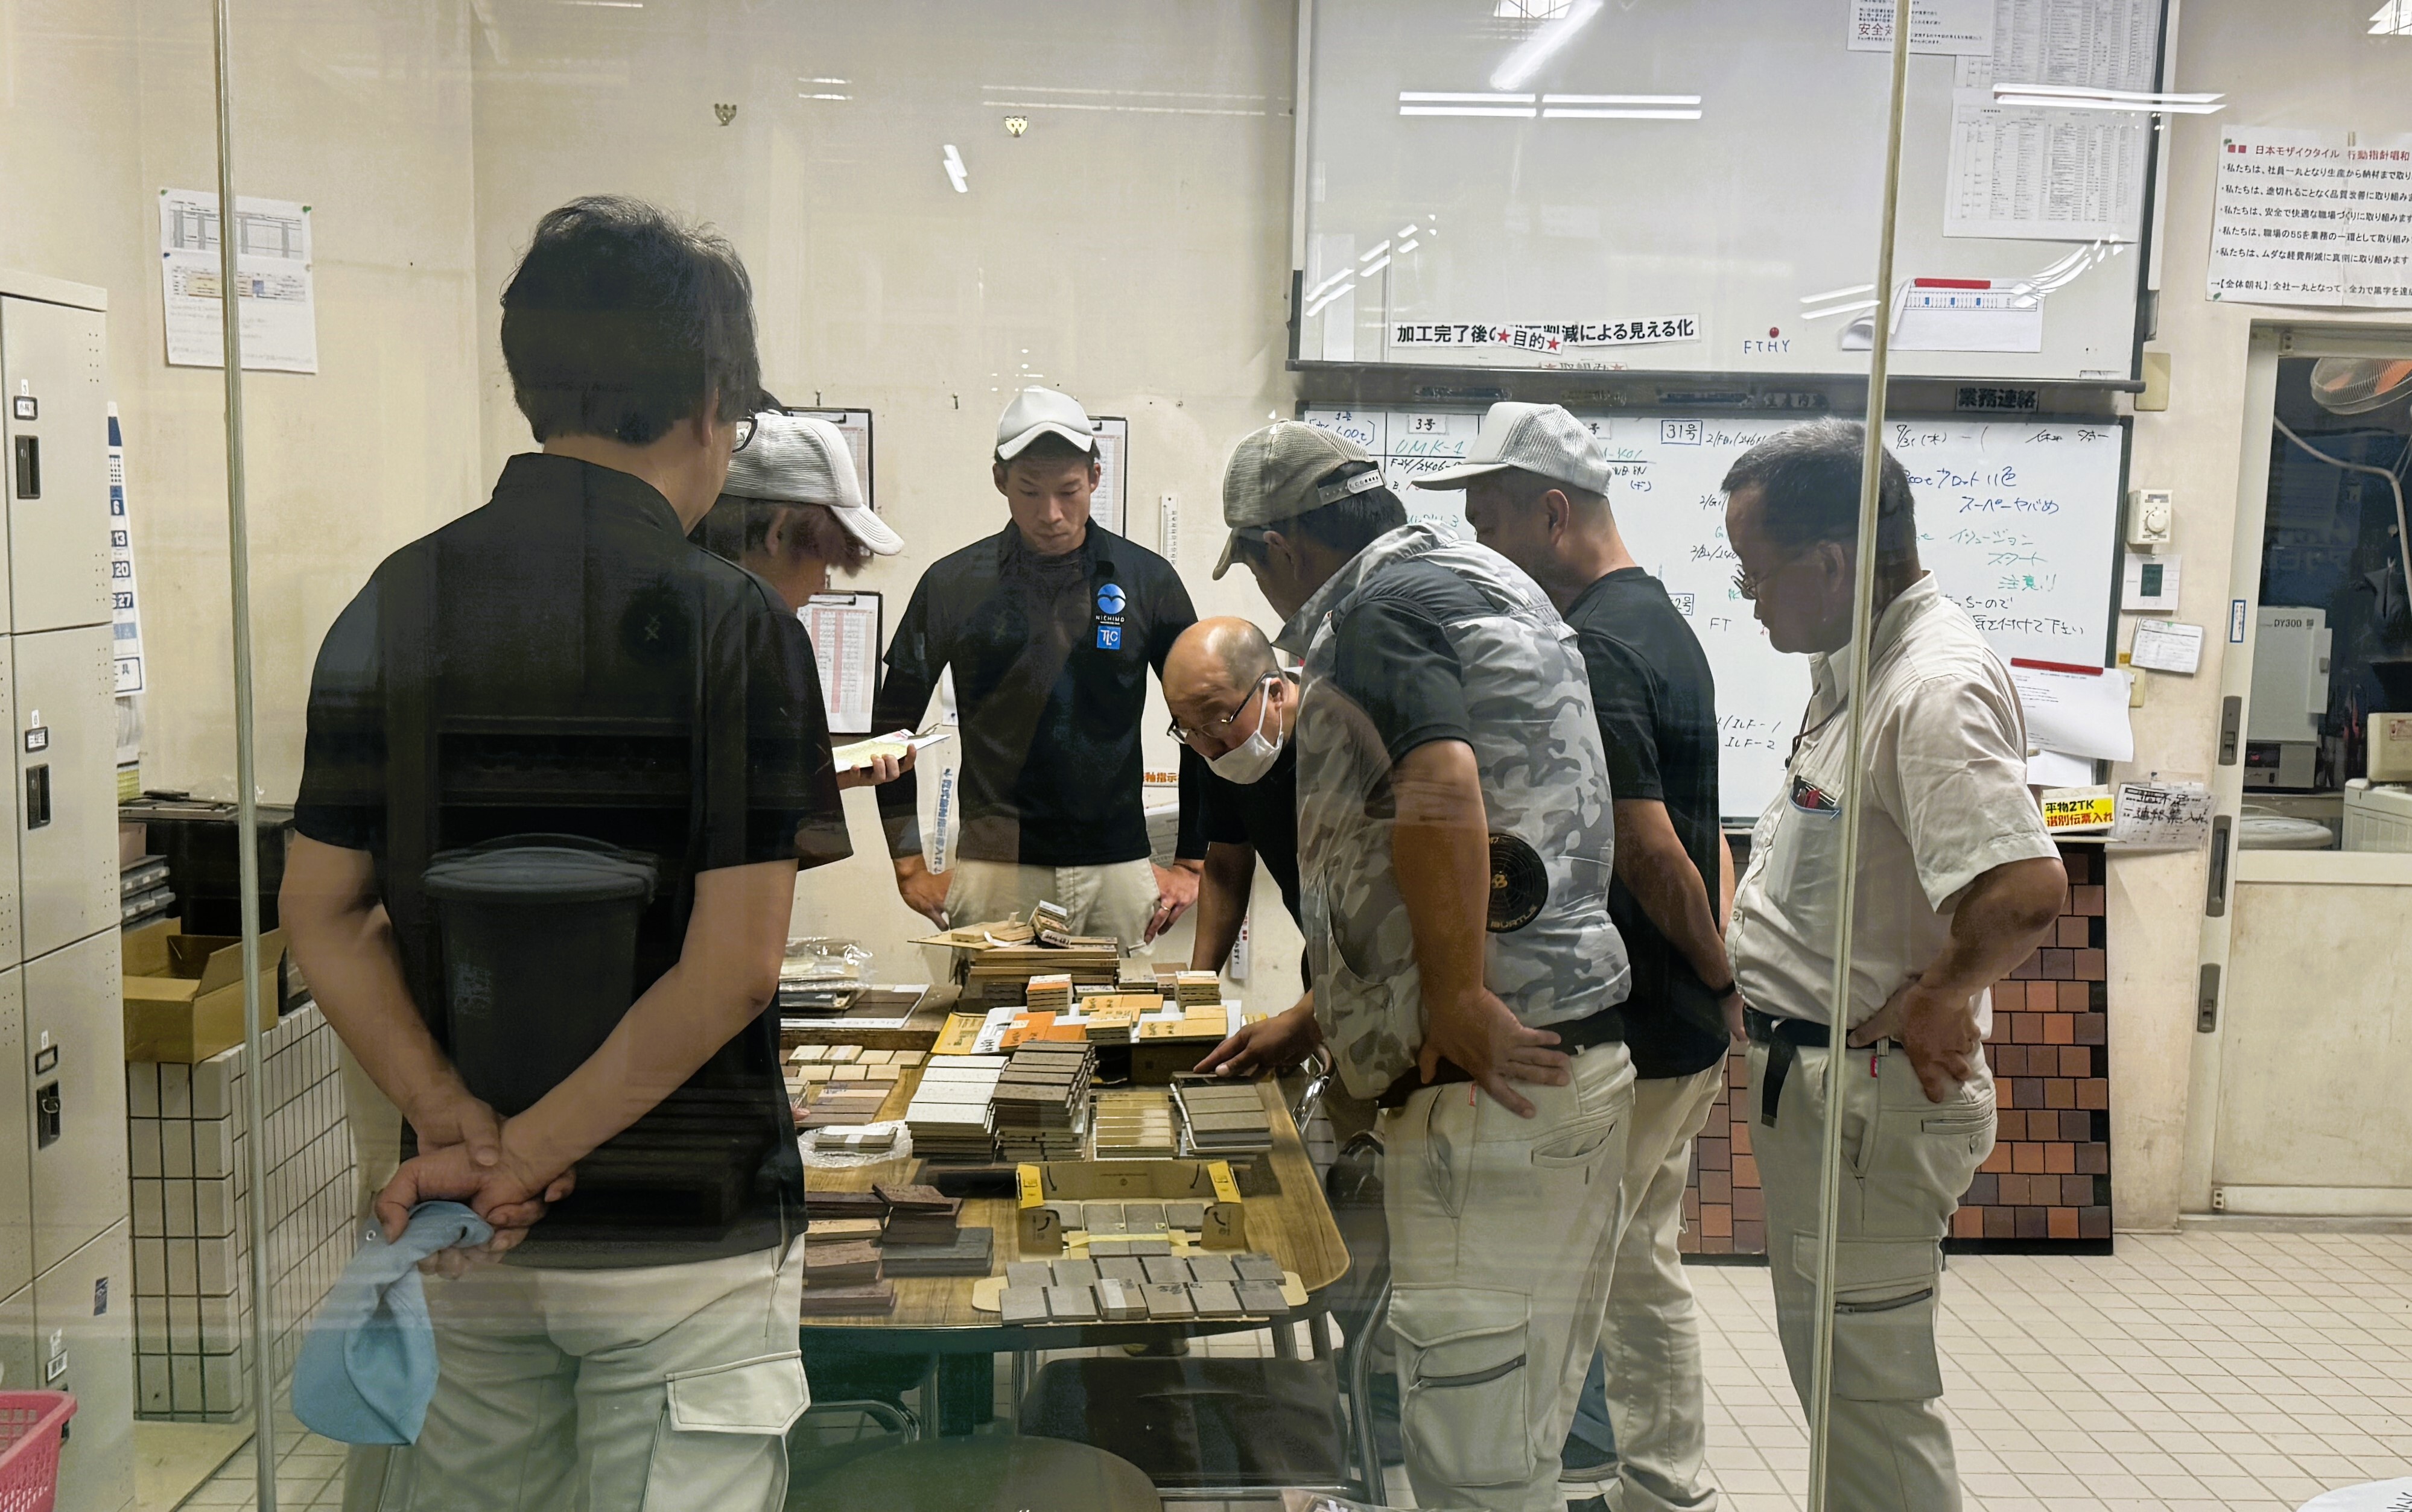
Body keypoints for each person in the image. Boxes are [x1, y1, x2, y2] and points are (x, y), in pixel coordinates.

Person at [281, 195, 849, 1512]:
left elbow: (321, 909)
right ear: (710, 400)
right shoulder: (734, 625)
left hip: (468, 1234)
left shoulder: (393, 598)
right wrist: (527, 1152)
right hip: (681, 1232)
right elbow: (733, 968)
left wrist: (456, 1126)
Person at [1217, 419, 1635, 1512]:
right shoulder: (1480, 581)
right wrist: (1321, 1014)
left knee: (1471, 1453)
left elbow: (1442, 787)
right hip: (1560, 1055)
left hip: (1490, 1082)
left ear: (1279, 546)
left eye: (1254, 565)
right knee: (1517, 1434)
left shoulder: (1372, 613)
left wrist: (1454, 995)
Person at [1721, 420, 2066, 1512]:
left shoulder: (1929, 686)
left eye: (1755, 572)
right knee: (1841, 1392)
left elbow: (2023, 887)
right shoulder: (1855, 666)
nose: (1748, 597)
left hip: (1868, 1102)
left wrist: (1938, 994)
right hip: (1824, 1089)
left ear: (1830, 563)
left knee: (1870, 1403)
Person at [1436, 402, 1734, 1512]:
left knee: (1574, 1274)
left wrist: (1717, 971)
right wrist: (1715, 971)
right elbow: (1705, 831)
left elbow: (1652, 848)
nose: (1479, 547)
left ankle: (1577, 1480)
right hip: (1677, 1016)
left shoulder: (1594, 647)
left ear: (1551, 513)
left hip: (1642, 1019)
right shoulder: (1661, 620)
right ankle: (1664, 1484)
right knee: (1639, 1264)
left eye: (1488, 522)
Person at [869, 385, 1205, 943]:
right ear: (1000, 480)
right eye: (1029, 491)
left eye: (1068, 491)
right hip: (995, 869)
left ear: (1095, 477)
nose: (1051, 514)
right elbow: (890, 726)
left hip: (1117, 867)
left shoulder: (1147, 581)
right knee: (991, 1006)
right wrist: (909, 864)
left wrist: (1192, 860)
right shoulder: (953, 584)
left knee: (1118, 1004)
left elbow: (1204, 715)